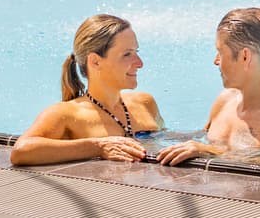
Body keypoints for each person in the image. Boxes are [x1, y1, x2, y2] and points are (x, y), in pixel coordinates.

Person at [156, 8, 260, 166]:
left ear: (245, 57)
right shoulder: (225, 100)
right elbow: (198, 140)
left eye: (220, 52)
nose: (216, 61)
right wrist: (146, 132)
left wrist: (210, 152)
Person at [11, 13, 163, 166]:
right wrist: (97, 147)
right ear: (95, 61)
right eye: (127, 54)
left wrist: (188, 146)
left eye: (136, 52)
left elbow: (166, 141)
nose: (139, 63)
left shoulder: (145, 103)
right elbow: (21, 151)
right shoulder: (66, 114)